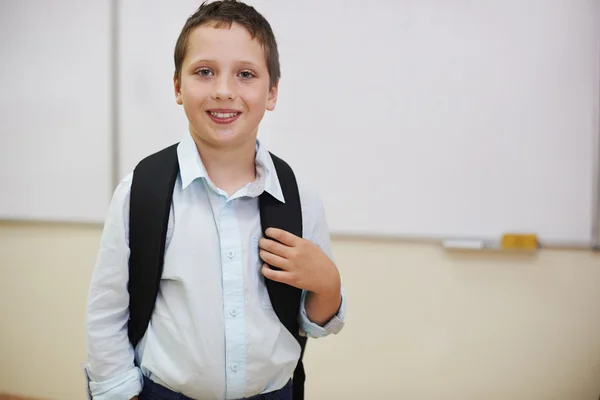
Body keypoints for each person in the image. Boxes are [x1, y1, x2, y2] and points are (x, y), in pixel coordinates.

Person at [84, 1, 346, 399]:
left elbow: (315, 322)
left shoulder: (298, 194)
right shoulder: (143, 191)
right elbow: (107, 312)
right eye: (204, 72)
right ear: (177, 86)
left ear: (272, 92)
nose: (224, 90)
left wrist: (328, 285)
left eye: (245, 74)